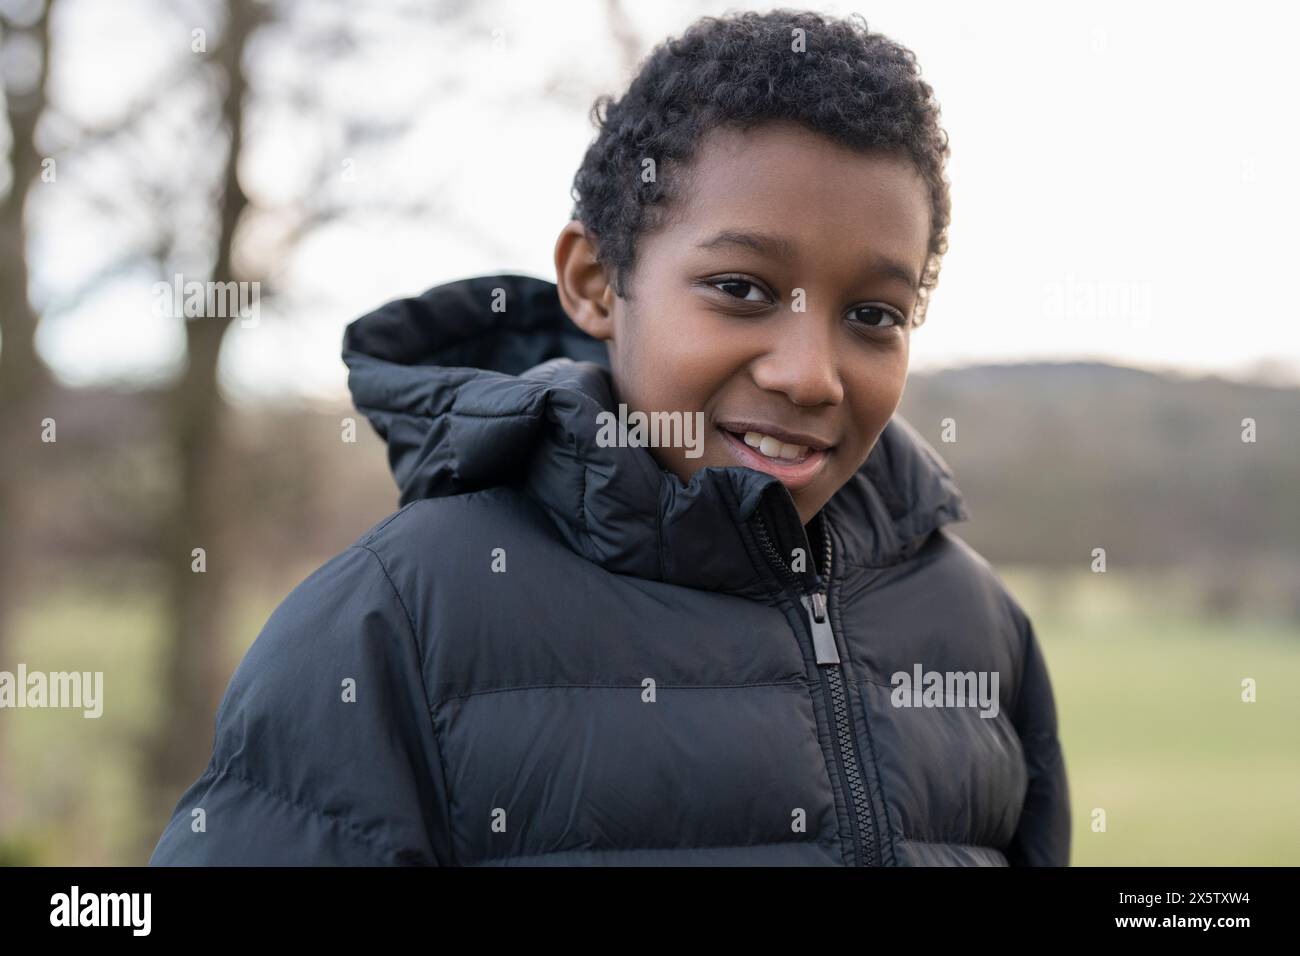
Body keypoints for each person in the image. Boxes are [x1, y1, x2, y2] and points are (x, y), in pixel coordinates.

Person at [150, 8, 1069, 866]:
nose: (810, 373)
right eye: (742, 289)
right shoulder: (395, 621)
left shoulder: (976, 625)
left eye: (873, 313)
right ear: (594, 283)